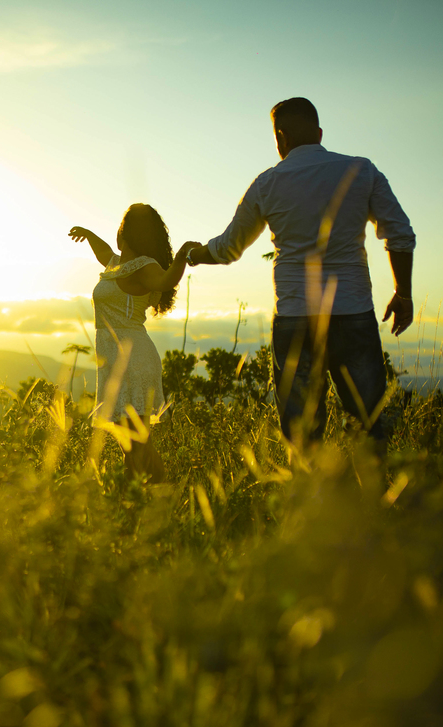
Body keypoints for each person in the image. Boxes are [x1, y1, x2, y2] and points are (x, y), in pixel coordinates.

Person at [181, 97, 416, 450]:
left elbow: (228, 247)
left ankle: (310, 486)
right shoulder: (361, 171)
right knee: (368, 425)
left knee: (303, 437)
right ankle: (371, 485)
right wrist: (403, 293)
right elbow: (400, 234)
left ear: (281, 137)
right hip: (352, 313)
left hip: (295, 319)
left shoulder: (267, 183)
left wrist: (193, 255)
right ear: (319, 133)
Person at [69, 204, 197, 482]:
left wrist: (181, 258)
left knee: (135, 444)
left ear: (125, 233)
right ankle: (158, 494)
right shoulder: (116, 265)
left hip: (134, 360)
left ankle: (141, 498)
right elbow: (104, 252)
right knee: (131, 444)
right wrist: (88, 234)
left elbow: (165, 280)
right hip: (114, 362)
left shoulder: (144, 266)